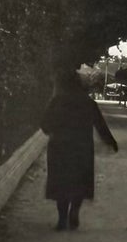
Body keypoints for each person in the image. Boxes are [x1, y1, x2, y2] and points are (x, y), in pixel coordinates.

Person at [40, 69, 119, 231]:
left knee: (62, 182)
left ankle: (62, 219)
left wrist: (52, 131)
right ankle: (74, 211)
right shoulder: (88, 102)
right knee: (79, 182)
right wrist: (111, 142)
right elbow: (100, 125)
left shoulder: (57, 101)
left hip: (60, 147)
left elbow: (45, 124)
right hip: (82, 148)